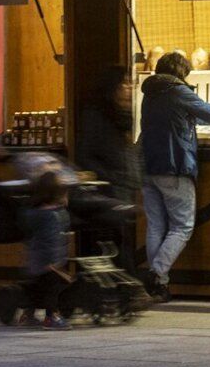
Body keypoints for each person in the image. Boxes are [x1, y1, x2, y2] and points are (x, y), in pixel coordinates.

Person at [140, 49, 210, 300]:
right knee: (182, 226)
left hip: (148, 165)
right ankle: (157, 272)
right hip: (173, 165)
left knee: (156, 226)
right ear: (181, 72)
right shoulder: (177, 90)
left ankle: (158, 285)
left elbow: (186, 118)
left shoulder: (151, 93)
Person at [74, 65, 139, 266]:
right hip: (107, 190)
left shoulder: (126, 118)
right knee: (114, 240)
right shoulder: (97, 116)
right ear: (112, 88)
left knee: (125, 238)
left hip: (125, 187)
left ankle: (122, 284)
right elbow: (84, 154)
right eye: (124, 83)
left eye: (130, 83)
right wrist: (109, 177)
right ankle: (119, 285)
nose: (129, 88)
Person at [16, 168, 73, 329]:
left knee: (37, 289)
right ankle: (51, 316)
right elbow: (52, 240)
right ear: (58, 194)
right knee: (52, 291)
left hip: (35, 258)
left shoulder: (31, 213)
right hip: (50, 262)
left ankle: (27, 314)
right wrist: (52, 263)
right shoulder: (55, 216)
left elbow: (31, 235)